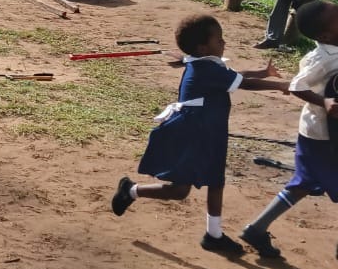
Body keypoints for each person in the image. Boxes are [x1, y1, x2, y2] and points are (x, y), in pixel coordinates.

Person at [111, 14, 288, 255]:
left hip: (209, 132)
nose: (223, 42)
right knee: (180, 190)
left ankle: (213, 235)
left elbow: (236, 76)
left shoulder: (207, 64)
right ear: (203, 47)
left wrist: (263, 72)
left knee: (215, 181)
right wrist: (279, 86)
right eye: (219, 39)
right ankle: (131, 190)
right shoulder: (205, 68)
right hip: (193, 134)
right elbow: (243, 83)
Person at [240, 1, 338, 260]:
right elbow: (296, 86)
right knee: (305, 182)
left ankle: (256, 228)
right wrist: (324, 102)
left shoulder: (334, 49)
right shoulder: (323, 59)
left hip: (320, 135)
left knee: (303, 183)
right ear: (326, 35)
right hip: (323, 136)